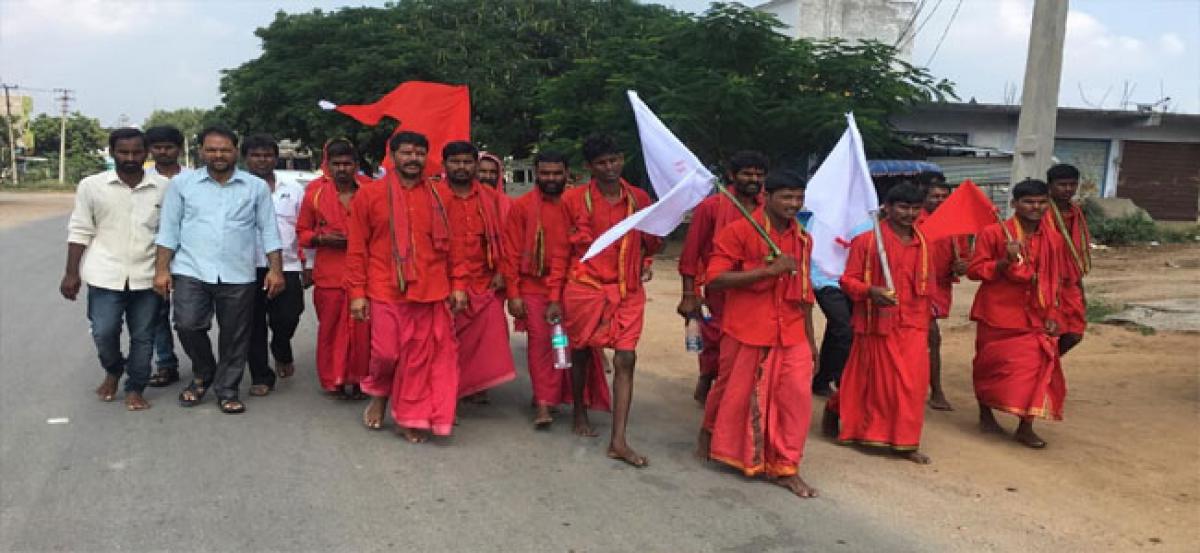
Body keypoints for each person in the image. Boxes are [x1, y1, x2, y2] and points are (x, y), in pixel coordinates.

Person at [545, 134, 662, 467]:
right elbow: (560, 251)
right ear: (589, 167)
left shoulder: (638, 198)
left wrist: (652, 254)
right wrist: (553, 297)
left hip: (627, 291)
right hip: (585, 289)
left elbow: (650, 243)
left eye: (614, 160)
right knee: (581, 354)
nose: (610, 168)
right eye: (602, 163)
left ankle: (619, 440)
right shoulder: (573, 200)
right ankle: (579, 411)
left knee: (626, 357)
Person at [700, 171, 818, 498]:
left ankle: (786, 465)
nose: (794, 204)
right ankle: (714, 436)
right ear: (767, 196)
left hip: (792, 331)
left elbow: (805, 294)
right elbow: (714, 280)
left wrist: (811, 341)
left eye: (799, 197)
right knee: (733, 391)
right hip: (747, 329)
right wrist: (768, 271)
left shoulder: (804, 240)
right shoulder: (737, 232)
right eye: (787, 197)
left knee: (796, 397)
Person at [154, 125, 285, 414]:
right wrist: (161, 271)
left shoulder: (255, 187)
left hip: (239, 273)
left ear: (235, 152)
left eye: (224, 149)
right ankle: (203, 371)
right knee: (187, 324)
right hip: (191, 269)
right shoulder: (182, 185)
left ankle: (227, 389)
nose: (218, 155)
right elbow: (168, 230)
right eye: (211, 149)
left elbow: (270, 231)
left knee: (235, 335)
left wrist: (276, 270)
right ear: (201, 151)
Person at [345, 131, 461, 443]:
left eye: (420, 153)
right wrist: (357, 294)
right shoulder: (369, 196)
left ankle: (410, 415)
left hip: (431, 289)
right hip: (384, 287)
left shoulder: (442, 195)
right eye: (406, 153)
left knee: (419, 359)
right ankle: (380, 393)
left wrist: (458, 285)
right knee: (387, 354)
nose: (413, 159)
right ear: (392, 155)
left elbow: (456, 247)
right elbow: (357, 248)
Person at [821, 183, 935, 464]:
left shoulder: (925, 243)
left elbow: (931, 285)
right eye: (903, 207)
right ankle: (841, 414)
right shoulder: (868, 242)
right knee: (866, 382)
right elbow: (847, 280)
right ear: (887, 207)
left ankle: (906, 442)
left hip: (914, 323)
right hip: (876, 323)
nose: (909, 214)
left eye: (914, 209)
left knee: (912, 385)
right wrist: (870, 291)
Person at [61, 128, 169, 411]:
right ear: (112, 153)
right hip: (104, 275)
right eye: (123, 152)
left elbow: (169, 235)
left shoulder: (163, 187)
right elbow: (80, 229)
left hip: (147, 277)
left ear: (146, 153)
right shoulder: (91, 186)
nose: (130, 158)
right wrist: (71, 273)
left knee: (143, 336)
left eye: (136, 152)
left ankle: (135, 388)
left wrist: (166, 272)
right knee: (103, 332)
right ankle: (113, 368)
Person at [501, 151, 611, 427]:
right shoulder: (522, 206)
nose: (551, 178)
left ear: (567, 174)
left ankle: (573, 398)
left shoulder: (578, 205)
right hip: (534, 286)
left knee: (577, 344)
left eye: (556, 173)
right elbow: (511, 254)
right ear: (536, 174)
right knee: (541, 345)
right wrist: (513, 294)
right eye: (545, 173)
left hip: (576, 283)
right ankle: (543, 404)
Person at [968, 179, 1065, 448]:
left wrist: (1054, 312)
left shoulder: (1053, 239)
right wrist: (1004, 262)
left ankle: (1026, 425)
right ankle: (985, 413)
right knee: (989, 366)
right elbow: (975, 271)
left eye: (1041, 202)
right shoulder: (993, 232)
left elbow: (1055, 278)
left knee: (1037, 368)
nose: (1036, 207)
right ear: (1014, 204)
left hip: (1035, 314)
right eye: (1029, 202)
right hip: (996, 312)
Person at [677, 150, 767, 404]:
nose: (753, 179)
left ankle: (737, 395)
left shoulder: (768, 208)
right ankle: (708, 378)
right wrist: (688, 295)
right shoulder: (711, 207)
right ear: (731, 175)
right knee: (716, 340)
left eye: (759, 175)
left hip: (757, 289)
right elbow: (691, 253)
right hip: (719, 289)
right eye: (747, 173)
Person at [438, 141, 517, 403]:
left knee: (487, 338)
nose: (462, 167)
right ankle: (448, 393)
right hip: (442, 281)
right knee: (445, 341)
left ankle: (473, 386)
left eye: (467, 162)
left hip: (484, 280)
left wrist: (502, 270)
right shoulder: (434, 197)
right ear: (444, 165)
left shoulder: (494, 200)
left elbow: (508, 240)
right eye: (455, 162)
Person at [297, 139, 372, 398]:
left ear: (356, 166)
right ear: (328, 166)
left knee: (363, 330)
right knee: (330, 329)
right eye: (337, 164)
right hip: (329, 274)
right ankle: (333, 380)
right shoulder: (315, 194)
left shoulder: (371, 191)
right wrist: (321, 239)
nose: (342, 169)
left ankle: (362, 380)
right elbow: (302, 232)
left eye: (347, 164)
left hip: (367, 273)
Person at [243, 133, 306, 396]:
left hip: (287, 265)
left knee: (288, 316)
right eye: (256, 155)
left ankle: (281, 348)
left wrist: (308, 265)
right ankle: (261, 375)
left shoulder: (293, 190)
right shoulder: (235, 189)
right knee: (252, 324)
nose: (262, 160)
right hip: (246, 268)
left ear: (276, 157)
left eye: (267, 155)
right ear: (246, 158)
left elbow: (305, 229)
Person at [914, 173, 970, 411]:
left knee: (929, 339)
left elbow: (966, 258)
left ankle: (933, 390)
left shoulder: (956, 225)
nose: (939, 200)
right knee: (931, 338)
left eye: (944, 197)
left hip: (939, 288)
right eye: (934, 196)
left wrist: (963, 265)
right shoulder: (914, 220)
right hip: (914, 288)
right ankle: (934, 391)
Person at [144, 125, 187, 388]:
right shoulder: (143, 179)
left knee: (187, 317)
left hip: (189, 257)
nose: (163, 152)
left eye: (168, 147)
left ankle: (205, 360)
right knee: (157, 313)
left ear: (179, 149)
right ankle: (166, 364)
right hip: (152, 257)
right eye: (157, 147)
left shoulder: (194, 178)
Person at [1044, 164, 1090, 356]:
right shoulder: (1040, 211)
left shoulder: (1076, 212)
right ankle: (1040, 373)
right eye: (1062, 184)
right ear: (1050, 186)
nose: (1068, 189)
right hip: (1047, 282)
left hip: (1070, 282)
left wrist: (1081, 289)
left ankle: (1044, 368)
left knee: (1074, 334)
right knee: (1049, 334)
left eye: (1072, 184)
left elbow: (1076, 254)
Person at [477, 151, 512, 219]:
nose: (488, 176)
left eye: (493, 172)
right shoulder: (464, 202)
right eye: (483, 171)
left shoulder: (507, 204)